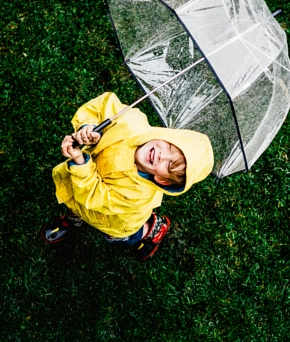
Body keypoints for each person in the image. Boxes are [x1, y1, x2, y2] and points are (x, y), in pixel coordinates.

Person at [41, 92, 214, 260]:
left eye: (169, 165)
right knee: (77, 204)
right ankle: (75, 215)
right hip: (82, 190)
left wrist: (80, 161)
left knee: (120, 234)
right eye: (170, 147)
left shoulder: (136, 196)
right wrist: (89, 127)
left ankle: (150, 230)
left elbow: (95, 196)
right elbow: (103, 105)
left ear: (162, 180)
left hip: (115, 219)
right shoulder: (131, 123)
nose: (162, 155)